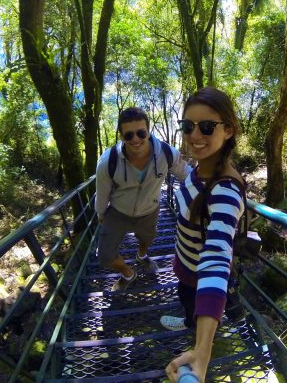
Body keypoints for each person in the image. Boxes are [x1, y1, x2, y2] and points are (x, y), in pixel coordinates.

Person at [160, 87, 246, 383]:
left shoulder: (224, 192)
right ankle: (187, 321)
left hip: (201, 278)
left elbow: (216, 258)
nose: (195, 135)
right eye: (188, 126)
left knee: (195, 304)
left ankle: (203, 340)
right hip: (185, 270)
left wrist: (203, 353)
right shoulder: (201, 168)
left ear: (229, 131)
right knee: (186, 304)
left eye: (207, 127)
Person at [95, 106, 190, 292]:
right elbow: (102, 191)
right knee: (105, 256)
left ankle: (142, 255)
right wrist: (100, 212)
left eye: (141, 133)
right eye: (129, 135)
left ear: (148, 131)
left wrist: (212, 183)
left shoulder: (166, 154)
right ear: (121, 136)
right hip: (117, 212)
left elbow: (186, 174)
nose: (136, 139)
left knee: (147, 237)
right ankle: (128, 273)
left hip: (149, 209)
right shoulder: (108, 162)